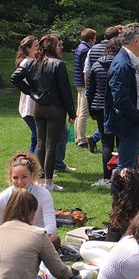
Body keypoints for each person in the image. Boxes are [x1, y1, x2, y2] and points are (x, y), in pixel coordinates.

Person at [0, 187, 79, 279]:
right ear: (32, 214)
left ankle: (40, 278)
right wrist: (73, 273)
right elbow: (60, 272)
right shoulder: (38, 234)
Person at [15, 33, 75, 188]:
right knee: (50, 145)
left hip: (40, 109)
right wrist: (72, 112)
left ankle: (37, 179)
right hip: (55, 109)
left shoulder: (32, 63)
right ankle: (47, 182)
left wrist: (32, 92)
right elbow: (65, 91)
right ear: (53, 47)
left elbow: (15, 78)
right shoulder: (57, 64)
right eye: (58, 45)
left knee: (41, 144)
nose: (61, 48)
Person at [0, 152, 57, 253]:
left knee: (54, 240)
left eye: (24, 177)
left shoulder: (43, 193)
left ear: (32, 175)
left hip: (36, 237)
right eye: (15, 177)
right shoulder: (3, 198)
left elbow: (51, 226)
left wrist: (31, 237)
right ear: (10, 178)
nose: (20, 182)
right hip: (10, 238)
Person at [105, 22, 139, 173]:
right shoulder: (122, 63)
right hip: (129, 122)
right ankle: (121, 196)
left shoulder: (131, 59)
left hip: (134, 120)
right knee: (125, 167)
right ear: (136, 41)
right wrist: (138, 117)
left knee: (129, 166)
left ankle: (127, 195)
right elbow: (120, 99)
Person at [85, 26, 121, 186]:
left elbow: (90, 90)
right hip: (118, 106)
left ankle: (106, 177)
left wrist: (90, 109)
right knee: (121, 141)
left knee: (106, 143)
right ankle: (120, 174)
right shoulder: (121, 65)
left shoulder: (96, 66)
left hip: (99, 107)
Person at [14, 35, 40, 153]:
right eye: (36, 46)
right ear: (28, 48)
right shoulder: (27, 63)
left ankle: (31, 166)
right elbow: (16, 79)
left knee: (35, 139)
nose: (38, 48)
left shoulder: (32, 61)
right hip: (30, 107)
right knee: (40, 138)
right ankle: (38, 168)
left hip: (32, 105)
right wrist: (30, 91)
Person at [73, 28, 96, 148]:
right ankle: (81, 139)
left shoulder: (79, 47)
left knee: (79, 111)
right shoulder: (86, 50)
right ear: (91, 39)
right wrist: (88, 87)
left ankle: (78, 136)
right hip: (83, 84)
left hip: (78, 83)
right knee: (83, 112)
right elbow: (85, 70)